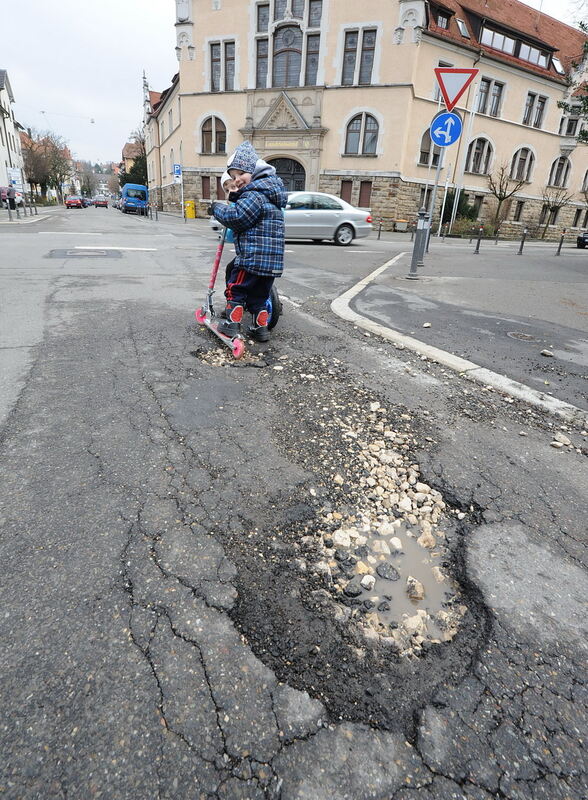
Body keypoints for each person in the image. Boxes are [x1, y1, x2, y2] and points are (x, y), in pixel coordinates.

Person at [208, 142, 287, 342]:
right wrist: (237, 195)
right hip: (272, 264)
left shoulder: (255, 195)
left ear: (254, 170)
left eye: (240, 174)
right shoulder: (270, 195)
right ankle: (260, 329)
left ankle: (231, 325)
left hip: (252, 258)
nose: (237, 180)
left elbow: (237, 217)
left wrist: (217, 208)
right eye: (233, 177)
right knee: (259, 297)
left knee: (237, 289)